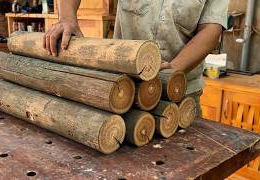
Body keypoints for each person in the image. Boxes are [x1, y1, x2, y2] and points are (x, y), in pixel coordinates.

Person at [44, 0, 228, 116]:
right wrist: (67, 17)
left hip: (181, 93)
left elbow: (211, 29)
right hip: (125, 89)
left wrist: (173, 70)